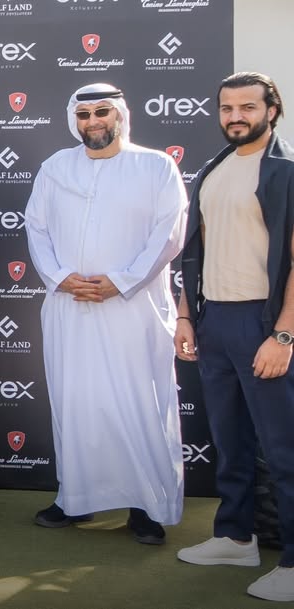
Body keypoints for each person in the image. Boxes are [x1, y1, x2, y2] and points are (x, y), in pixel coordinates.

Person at [24, 83, 188, 544]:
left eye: (102, 112)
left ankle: (147, 506)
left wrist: (123, 280)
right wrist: (60, 277)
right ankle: (75, 498)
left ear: (119, 115)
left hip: (133, 309)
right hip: (70, 306)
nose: (93, 121)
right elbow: (36, 227)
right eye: (84, 114)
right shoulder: (55, 168)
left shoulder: (155, 166)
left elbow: (169, 233)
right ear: (73, 120)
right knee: (75, 403)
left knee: (140, 404)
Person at [175, 72, 294, 602]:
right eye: (227, 108)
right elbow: (197, 252)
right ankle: (236, 537)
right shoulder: (215, 168)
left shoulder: (286, 170)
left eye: (248, 106)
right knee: (230, 441)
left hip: (264, 323)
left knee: (284, 448)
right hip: (214, 320)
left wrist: (284, 335)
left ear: (273, 109)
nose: (235, 116)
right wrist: (186, 316)